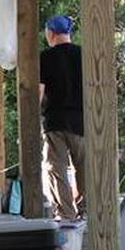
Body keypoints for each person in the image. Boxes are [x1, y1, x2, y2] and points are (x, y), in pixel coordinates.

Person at [39, 14, 86, 221]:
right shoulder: (83, 54)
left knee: (56, 169)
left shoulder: (45, 58)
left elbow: (38, 93)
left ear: (50, 33)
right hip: (81, 121)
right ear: (68, 33)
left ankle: (66, 214)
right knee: (84, 167)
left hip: (54, 122)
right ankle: (87, 211)